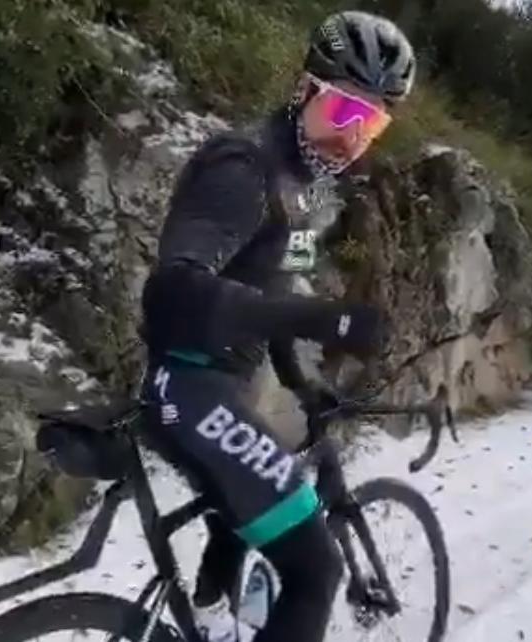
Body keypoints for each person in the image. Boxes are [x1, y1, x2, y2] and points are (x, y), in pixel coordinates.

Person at [139, 10, 415, 642]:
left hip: (218, 388)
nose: (354, 135)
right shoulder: (243, 168)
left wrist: (298, 379)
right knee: (318, 570)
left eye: (373, 122)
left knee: (242, 520)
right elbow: (173, 292)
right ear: (303, 89)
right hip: (190, 386)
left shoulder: (310, 193)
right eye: (345, 109)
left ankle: (210, 618)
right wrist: (325, 319)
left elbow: (279, 289)